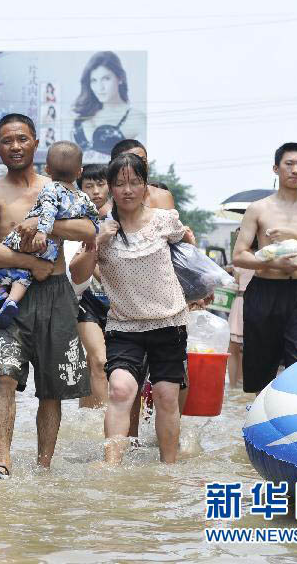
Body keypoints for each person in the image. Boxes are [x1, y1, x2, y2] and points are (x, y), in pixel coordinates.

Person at [0, 114, 95, 479]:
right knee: (3, 376)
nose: (15, 146)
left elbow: (88, 226)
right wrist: (29, 262)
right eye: (7, 141)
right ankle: (2, 461)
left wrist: (43, 224)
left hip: (56, 293)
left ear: (36, 143)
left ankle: (44, 466)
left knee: (52, 387)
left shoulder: (55, 185)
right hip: (10, 293)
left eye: (22, 139)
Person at [75, 153, 191, 464]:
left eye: (135, 183)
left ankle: (169, 468)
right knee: (121, 390)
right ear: (111, 188)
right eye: (121, 184)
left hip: (169, 323)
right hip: (125, 327)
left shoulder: (165, 220)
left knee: (167, 396)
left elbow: (187, 245)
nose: (128, 190)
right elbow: (78, 275)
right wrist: (97, 241)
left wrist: (198, 288)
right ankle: (111, 465)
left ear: (144, 187)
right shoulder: (99, 228)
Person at [232, 142, 297, 395]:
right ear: (276, 168)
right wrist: (270, 262)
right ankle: (260, 423)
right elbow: (239, 255)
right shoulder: (258, 208)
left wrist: (295, 236)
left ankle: (294, 423)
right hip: (263, 290)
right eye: (289, 164)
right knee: (261, 367)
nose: (295, 170)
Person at [0, 144, 99, 329]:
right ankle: (11, 300)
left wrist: (42, 230)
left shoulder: (50, 188)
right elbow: (93, 218)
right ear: (80, 172)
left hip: (35, 238)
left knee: (9, 256)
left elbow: (49, 210)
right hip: (51, 248)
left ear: (48, 169)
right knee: (27, 270)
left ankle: (1, 291)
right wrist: (92, 236)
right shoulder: (82, 197)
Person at [69, 163, 113, 408]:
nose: (96, 191)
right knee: (99, 360)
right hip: (85, 298)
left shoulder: (120, 216)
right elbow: (77, 258)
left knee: (101, 363)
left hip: (119, 302)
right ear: (80, 189)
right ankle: (106, 421)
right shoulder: (74, 219)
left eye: (100, 184)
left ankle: (85, 414)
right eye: (89, 186)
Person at [72, 52, 146, 163]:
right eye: (94, 81)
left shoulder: (136, 117)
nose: (99, 87)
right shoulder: (81, 114)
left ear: (120, 78)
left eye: (106, 79)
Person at [225, 264, 254, 389]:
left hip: (240, 301)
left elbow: (235, 283)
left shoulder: (241, 261)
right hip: (257, 301)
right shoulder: (263, 258)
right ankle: (244, 382)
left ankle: (232, 386)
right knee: (249, 347)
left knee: (233, 347)